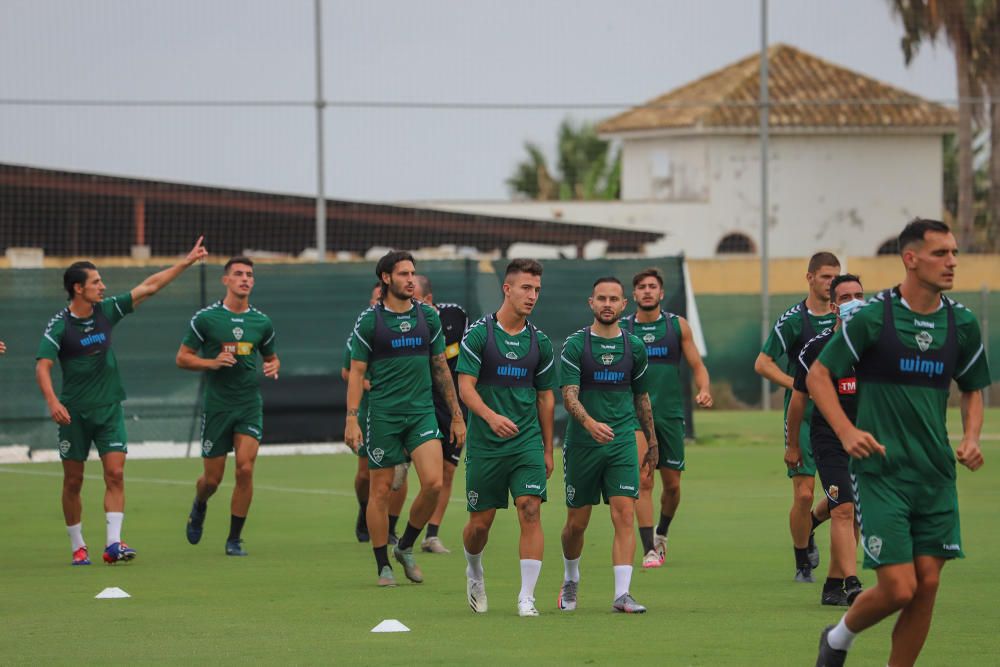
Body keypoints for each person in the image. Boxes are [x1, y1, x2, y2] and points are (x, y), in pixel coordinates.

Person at [813, 220, 989, 667]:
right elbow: (819, 375)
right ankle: (838, 638)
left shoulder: (961, 322)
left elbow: (972, 388)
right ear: (910, 258)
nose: (951, 262)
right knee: (899, 587)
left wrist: (971, 438)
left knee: (927, 584)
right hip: (882, 473)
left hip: (936, 475)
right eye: (940, 253)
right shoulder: (875, 316)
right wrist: (847, 431)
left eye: (953, 253)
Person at [35, 237, 208, 565]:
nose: (103, 286)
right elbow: (41, 367)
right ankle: (78, 546)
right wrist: (53, 402)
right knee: (73, 481)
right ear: (77, 288)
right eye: (96, 282)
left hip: (110, 408)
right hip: (73, 414)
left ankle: (113, 545)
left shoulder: (107, 311)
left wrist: (185, 263)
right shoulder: (59, 326)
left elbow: (149, 287)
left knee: (115, 473)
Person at [344, 250, 466, 587]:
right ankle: (383, 563)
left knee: (434, 482)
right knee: (380, 491)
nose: (411, 279)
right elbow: (356, 372)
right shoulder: (370, 321)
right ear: (386, 278)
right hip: (383, 416)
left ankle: (407, 545)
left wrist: (456, 415)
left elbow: (441, 366)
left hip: (421, 413)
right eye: (403, 274)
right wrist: (352, 419)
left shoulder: (428, 316)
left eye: (413, 273)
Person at [457, 259, 556, 617]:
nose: (532, 296)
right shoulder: (479, 335)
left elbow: (546, 398)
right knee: (479, 525)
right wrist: (489, 416)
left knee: (530, 510)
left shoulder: (539, 342)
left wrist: (547, 448)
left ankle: (526, 597)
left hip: (526, 441)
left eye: (537, 290)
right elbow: (465, 388)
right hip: (486, 444)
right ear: (507, 289)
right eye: (526, 288)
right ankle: (474, 569)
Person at [558, 276, 657, 614]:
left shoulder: (635, 347)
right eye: (601, 298)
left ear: (623, 304)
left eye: (614, 299)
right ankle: (571, 578)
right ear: (591, 303)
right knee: (576, 524)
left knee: (624, 514)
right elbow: (568, 395)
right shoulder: (576, 345)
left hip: (621, 444)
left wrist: (653, 443)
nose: (607, 304)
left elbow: (642, 397)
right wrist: (588, 423)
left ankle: (622, 594)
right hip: (583, 446)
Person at [178, 256, 279, 556]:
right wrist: (211, 362)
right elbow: (182, 357)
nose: (244, 279)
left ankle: (234, 539)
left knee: (245, 469)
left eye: (249, 274)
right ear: (225, 280)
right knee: (212, 479)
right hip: (218, 406)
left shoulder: (262, 322)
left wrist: (273, 366)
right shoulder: (206, 319)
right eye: (238, 274)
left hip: (248, 405)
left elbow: (272, 357)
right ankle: (200, 503)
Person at [754, 251, 840, 582]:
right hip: (803, 416)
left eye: (836, 277)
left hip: (840, 416)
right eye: (825, 277)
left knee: (842, 495)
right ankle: (802, 562)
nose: (831, 283)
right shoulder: (794, 320)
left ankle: (813, 524)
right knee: (804, 494)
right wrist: (800, 384)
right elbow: (762, 363)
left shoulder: (846, 317)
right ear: (810, 278)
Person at [623, 268, 713, 568]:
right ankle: (649, 549)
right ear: (633, 295)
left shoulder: (677, 326)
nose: (647, 291)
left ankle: (662, 532)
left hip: (670, 415)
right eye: (641, 287)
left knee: (672, 486)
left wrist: (704, 389)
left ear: (661, 293)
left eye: (652, 287)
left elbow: (698, 365)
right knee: (644, 480)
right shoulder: (624, 329)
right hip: (635, 418)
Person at [787, 274, 866, 607]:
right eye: (846, 297)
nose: (853, 302)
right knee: (845, 509)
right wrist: (792, 445)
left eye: (859, 295)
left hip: (866, 437)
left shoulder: (875, 345)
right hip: (829, 438)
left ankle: (832, 585)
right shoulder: (817, 348)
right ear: (834, 306)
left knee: (856, 513)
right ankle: (852, 583)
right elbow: (798, 402)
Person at [341, 282, 409, 544]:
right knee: (365, 473)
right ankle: (364, 509)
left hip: (403, 409)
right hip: (370, 410)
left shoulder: (407, 327)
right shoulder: (363, 330)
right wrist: (370, 384)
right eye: (374, 298)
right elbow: (348, 372)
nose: (376, 301)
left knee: (400, 471)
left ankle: (390, 528)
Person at [413, 274, 469, 554]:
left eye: (415, 299)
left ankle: (431, 535)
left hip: (454, 405)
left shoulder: (456, 315)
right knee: (426, 473)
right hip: (421, 402)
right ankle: (393, 527)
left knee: (447, 472)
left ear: (428, 300)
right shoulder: (407, 325)